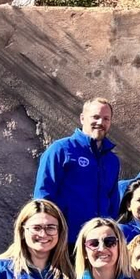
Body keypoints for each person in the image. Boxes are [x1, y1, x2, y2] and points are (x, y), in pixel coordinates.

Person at [34, 97, 120, 245]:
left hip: (96, 244)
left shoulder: (112, 161)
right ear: (82, 118)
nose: (101, 122)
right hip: (64, 241)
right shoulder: (61, 150)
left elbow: (113, 202)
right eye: (96, 117)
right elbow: (43, 197)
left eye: (106, 119)